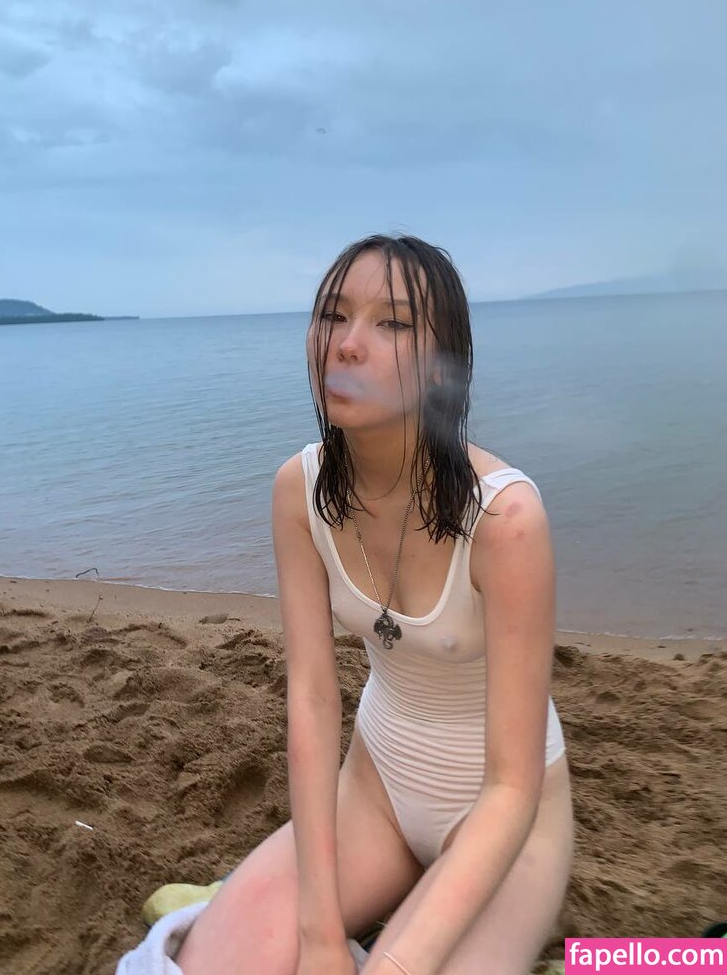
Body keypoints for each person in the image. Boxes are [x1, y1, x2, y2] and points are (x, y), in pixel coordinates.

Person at [176, 235, 574, 975]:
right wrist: (320, 936)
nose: (348, 344)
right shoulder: (299, 491)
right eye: (333, 315)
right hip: (375, 790)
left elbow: (512, 786)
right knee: (209, 963)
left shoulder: (506, 519)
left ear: (442, 366)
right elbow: (311, 696)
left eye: (391, 323)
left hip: (504, 822)